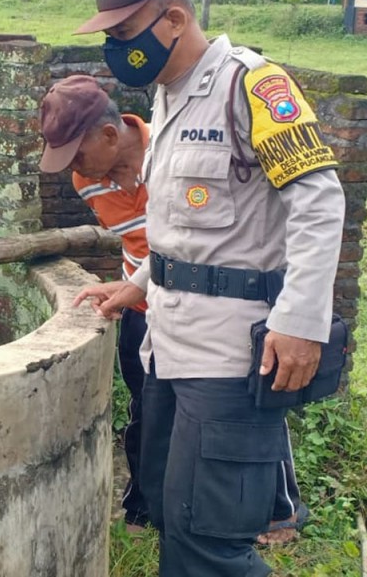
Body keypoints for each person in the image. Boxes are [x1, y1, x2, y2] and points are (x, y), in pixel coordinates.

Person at [70, 0, 344, 576]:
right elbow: (183, 235)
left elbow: (319, 202)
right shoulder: (170, 96)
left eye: (125, 31)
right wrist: (137, 286)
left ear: (173, 19)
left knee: (209, 547)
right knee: (175, 519)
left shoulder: (250, 86)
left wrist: (300, 322)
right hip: (169, 348)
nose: (116, 48)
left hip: (227, 361)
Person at [38, 75, 309, 544]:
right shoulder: (87, 181)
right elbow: (140, 239)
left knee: (249, 407)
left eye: (76, 155)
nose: (73, 169)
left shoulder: (170, 153)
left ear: (109, 135)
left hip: (208, 304)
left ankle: (278, 510)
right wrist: (129, 287)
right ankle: (148, 502)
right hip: (142, 303)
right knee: (149, 406)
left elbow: (191, 238)